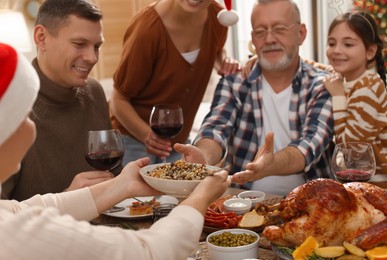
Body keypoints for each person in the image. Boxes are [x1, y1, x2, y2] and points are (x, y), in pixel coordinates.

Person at [0, 42, 231, 260]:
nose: (32, 121)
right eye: (24, 112)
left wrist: (122, 185)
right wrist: (201, 195)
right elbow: (150, 252)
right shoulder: (10, 233)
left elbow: (26, 208)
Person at [175, 0, 334, 196]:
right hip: (240, 203)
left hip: (313, 204)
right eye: (260, 31)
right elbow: (216, 127)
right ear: (253, 38)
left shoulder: (321, 85)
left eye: (279, 28)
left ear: (301, 33)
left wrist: (272, 164)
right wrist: (204, 156)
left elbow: (311, 144)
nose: (269, 39)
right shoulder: (234, 83)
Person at [1, 0, 117, 200]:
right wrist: (68, 199)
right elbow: (4, 217)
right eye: (79, 44)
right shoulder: (12, 103)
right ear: (42, 38)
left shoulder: (94, 92)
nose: (92, 57)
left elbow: (113, 172)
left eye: (97, 46)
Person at [109, 0, 241, 166]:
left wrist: (223, 62)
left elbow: (216, 50)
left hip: (178, 139)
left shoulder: (218, 18)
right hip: (133, 140)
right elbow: (118, 100)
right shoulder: (147, 30)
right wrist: (147, 136)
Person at [323, 11, 387, 189]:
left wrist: (338, 96)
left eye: (348, 44)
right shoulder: (353, 79)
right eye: (331, 43)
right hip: (365, 188)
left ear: (370, 51)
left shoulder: (367, 89)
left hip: (381, 191)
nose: (337, 50)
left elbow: (350, 152)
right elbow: (319, 67)